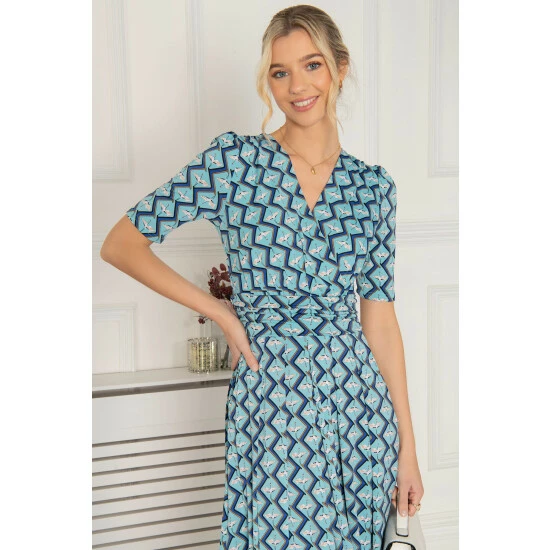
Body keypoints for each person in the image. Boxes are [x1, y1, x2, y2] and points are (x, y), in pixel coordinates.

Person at [100, 4, 424, 549]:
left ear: (340, 69)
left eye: (312, 65)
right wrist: (221, 312)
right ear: (268, 82)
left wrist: (407, 449)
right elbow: (121, 244)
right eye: (280, 72)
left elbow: (381, 324)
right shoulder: (236, 163)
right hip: (274, 399)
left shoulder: (373, 188)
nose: (297, 86)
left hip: (360, 410)